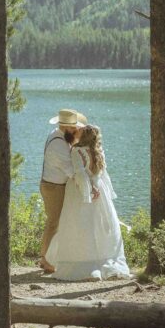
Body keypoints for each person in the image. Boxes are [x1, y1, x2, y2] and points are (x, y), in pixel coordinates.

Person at [47, 124, 131, 281]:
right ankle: (103, 260)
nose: (76, 132)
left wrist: (89, 192)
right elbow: (102, 175)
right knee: (99, 224)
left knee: (80, 224)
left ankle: (83, 264)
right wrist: (100, 188)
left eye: (79, 131)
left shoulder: (77, 150)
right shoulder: (98, 151)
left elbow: (80, 174)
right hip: (100, 189)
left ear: (83, 135)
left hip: (82, 191)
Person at [39, 109, 95, 273]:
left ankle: (47, 257)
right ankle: (44, 259)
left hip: (55, 185)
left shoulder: (59, 136)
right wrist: (89, 187)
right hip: (53, 187)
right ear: (65, 126)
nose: (76, 130)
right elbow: (71, 172)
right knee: (54, 223)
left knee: (55, 222)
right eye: (74, 128)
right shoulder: (58, 144)